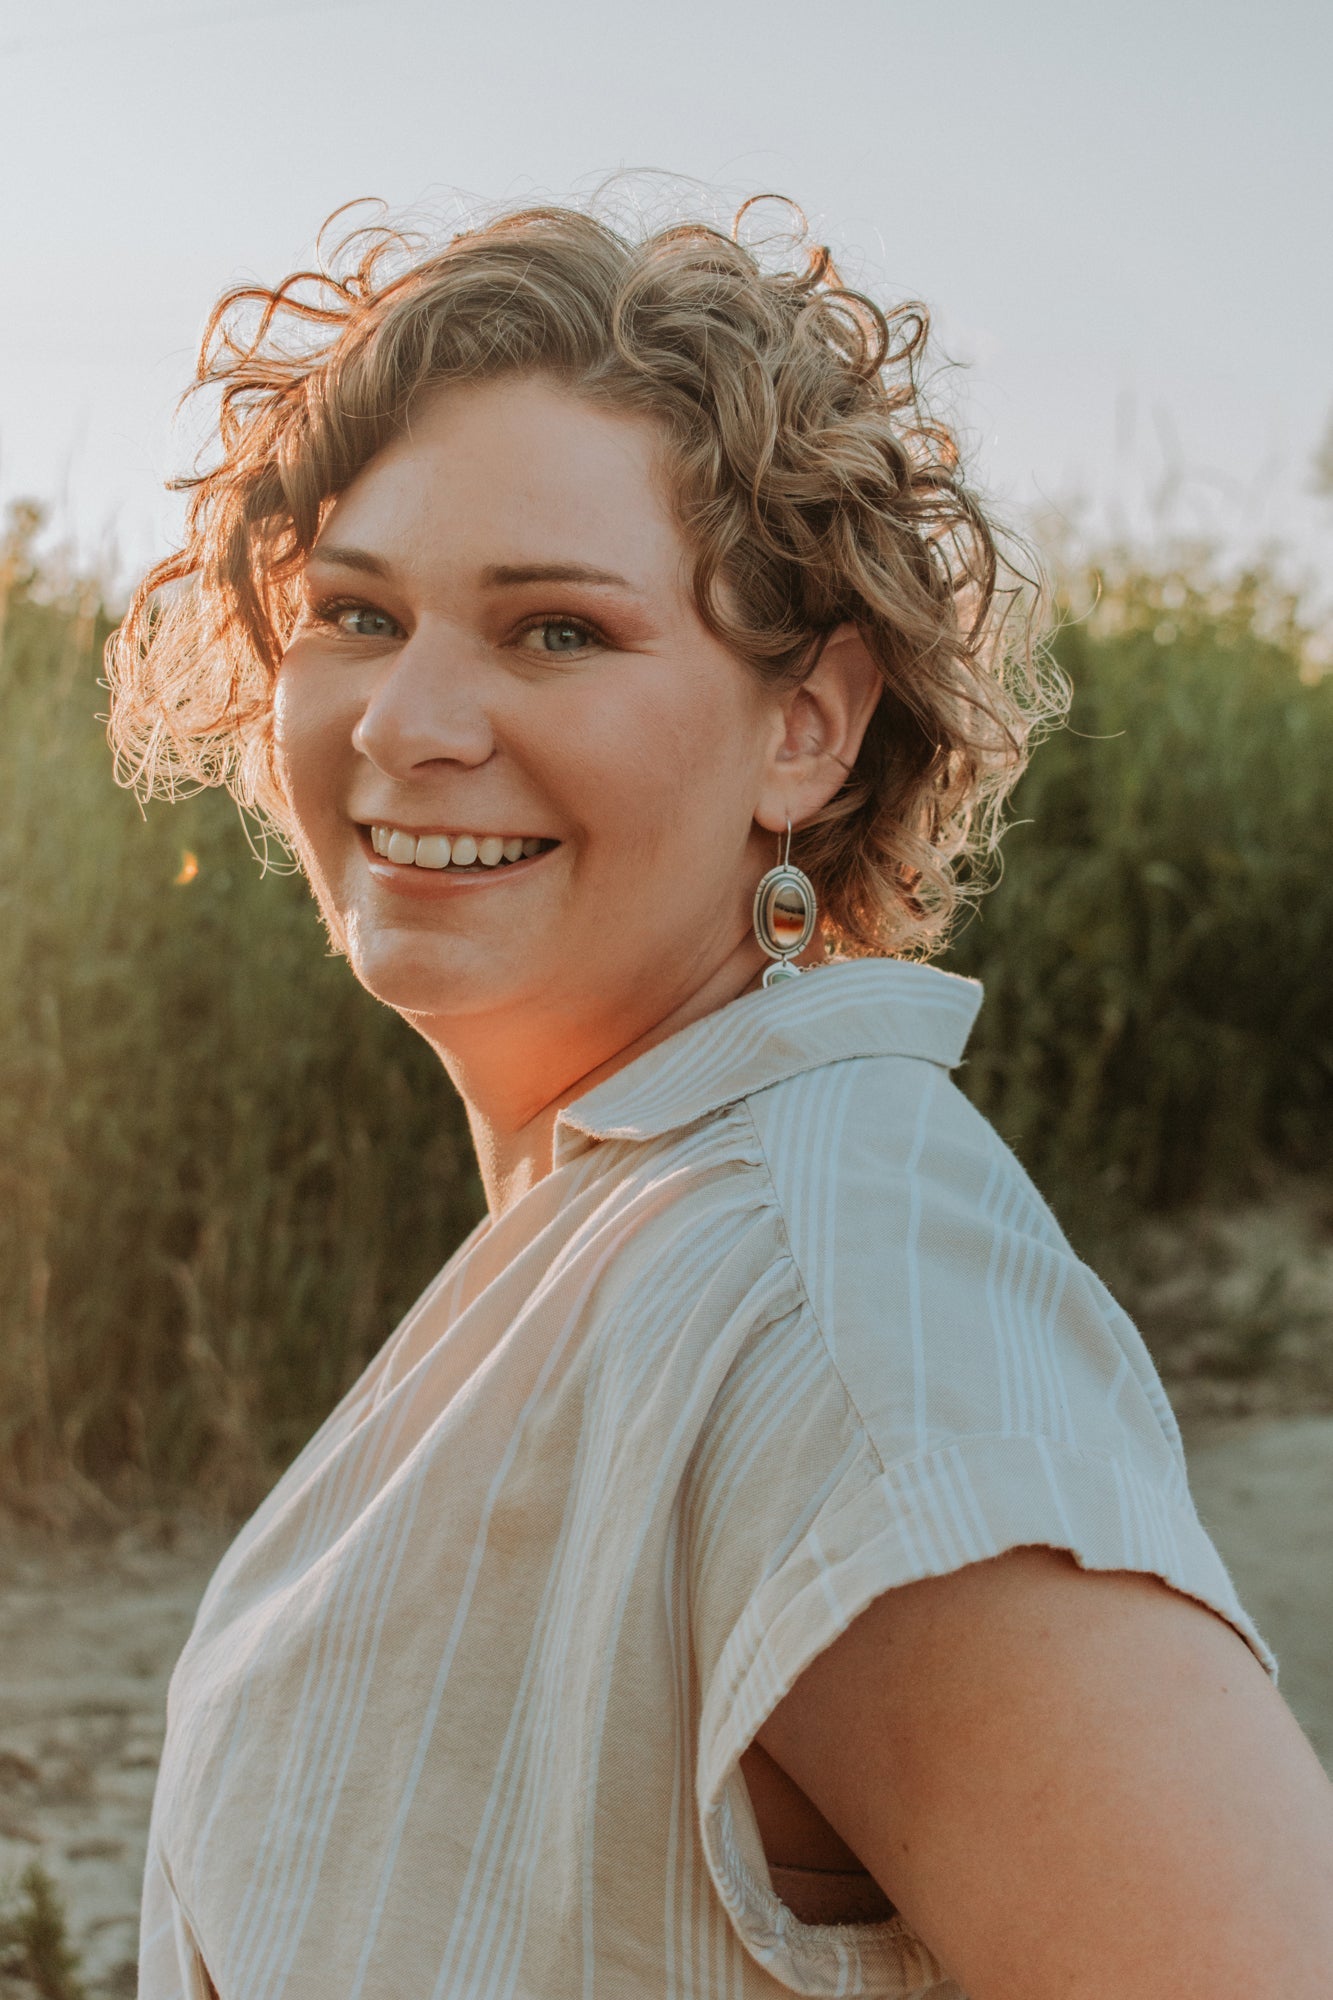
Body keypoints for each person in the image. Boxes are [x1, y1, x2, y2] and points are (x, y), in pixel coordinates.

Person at [108, 195, 1333, 2000]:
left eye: (556, 634)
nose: (406, 723)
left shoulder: (839, 1309)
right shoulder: (622, 1222)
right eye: (358, 613)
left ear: (807, 728)